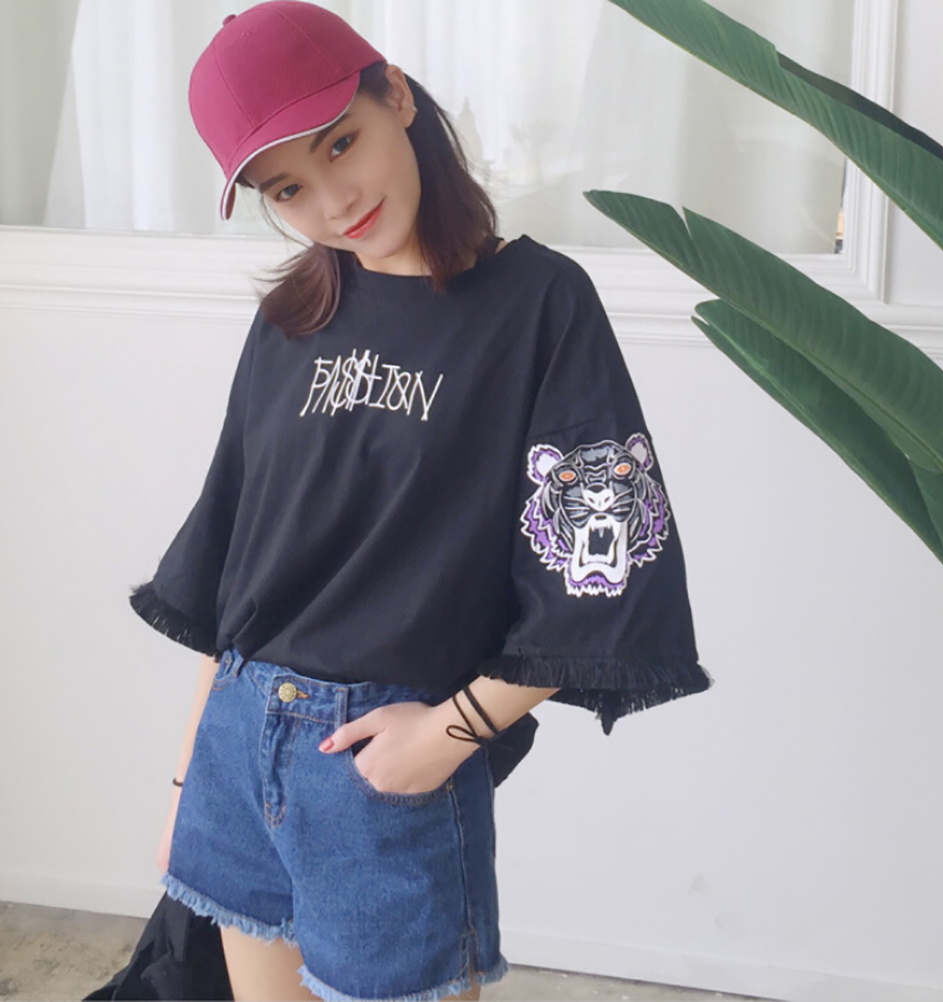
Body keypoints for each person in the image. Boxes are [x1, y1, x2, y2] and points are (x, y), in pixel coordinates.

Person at [129, 3, 713, 1000]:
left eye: (340, 143)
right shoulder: (291, 320)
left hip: (376, 773)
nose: (334, 201)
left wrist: (447, 737)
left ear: (395, 94)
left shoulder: (538, 304)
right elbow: (233, 567)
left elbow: (603, 560)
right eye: (288, 189)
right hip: (237, 751)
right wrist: (191, 779)